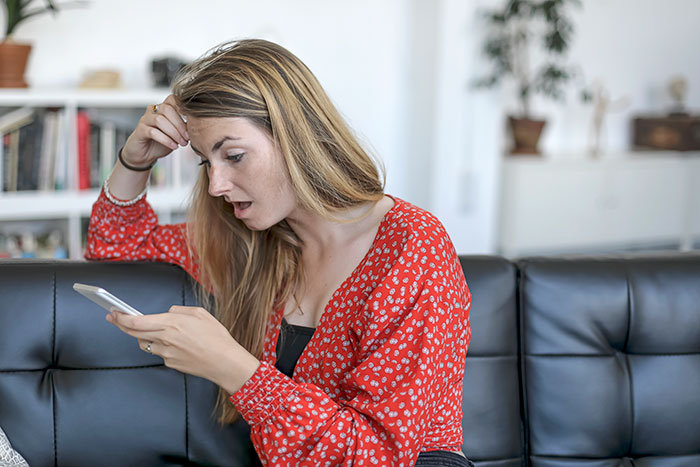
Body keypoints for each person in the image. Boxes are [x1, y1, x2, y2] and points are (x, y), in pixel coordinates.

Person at [86, 39, 473, 467]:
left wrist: (232, 367)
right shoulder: (255, 241)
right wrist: (135, 159)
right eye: (205, 162)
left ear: (296, 137)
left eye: (234, 156)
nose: (216, 185)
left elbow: (377, 455)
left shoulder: (411, 246)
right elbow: (116, 246)